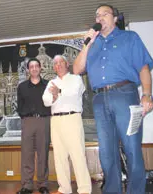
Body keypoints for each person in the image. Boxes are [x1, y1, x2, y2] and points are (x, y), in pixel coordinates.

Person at [73, 4, 153, 194]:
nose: (100, 18)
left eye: (104, 14)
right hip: (99, 100)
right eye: (97, 15)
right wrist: (87, 44)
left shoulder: (129, 38)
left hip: (124, 95)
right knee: (107, 152)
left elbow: (143, 68)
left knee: (131, 148)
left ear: (115, 18)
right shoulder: (92, 44)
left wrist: (147, 95)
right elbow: (77, 69)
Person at [42, 55, 92, 194]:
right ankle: (64, 188)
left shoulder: (76, 79)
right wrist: (54, 96)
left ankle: (84, 189)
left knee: (78, 155)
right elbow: (46, 100)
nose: (58, 65)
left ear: (67, 63)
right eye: (56, 63)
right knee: (59, 156)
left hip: (72, 118)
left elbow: (74, 93)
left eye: (61, 62)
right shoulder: (52, 82)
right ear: (53, 67)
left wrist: (60, 93)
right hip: (56, 120)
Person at [16, 58, 51, 194]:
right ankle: (27, 185)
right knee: (27, 154)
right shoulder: (22, 86)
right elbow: (19, 106)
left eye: (37, 66)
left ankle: (43, 184)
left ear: (40, 67)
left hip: (44, 121)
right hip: (28, 121)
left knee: (43, 153)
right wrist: (24, 116)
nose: (34, 68)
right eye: (31, 66)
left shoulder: (48, 85)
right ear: (28, 70)